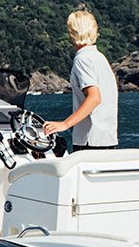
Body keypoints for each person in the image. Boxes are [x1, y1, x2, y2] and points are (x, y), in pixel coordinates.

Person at [43, 9, 118, 151]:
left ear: (72, 33)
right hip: (107, 139)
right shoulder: (100, 58)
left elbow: (94, 97)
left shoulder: (82, 59)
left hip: (90, 141)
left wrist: (65, 124)